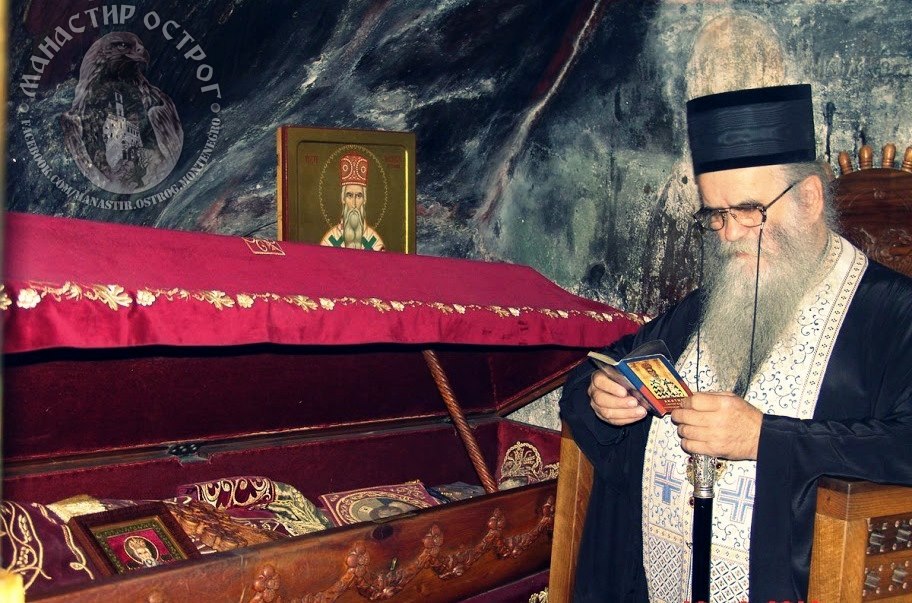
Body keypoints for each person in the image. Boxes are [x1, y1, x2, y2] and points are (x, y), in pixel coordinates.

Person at [559, 84, 912, 602]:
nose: (727, 234)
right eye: (716, 215)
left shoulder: (896, 315)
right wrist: (603, 394)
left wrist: (764, 438)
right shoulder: (708, 304)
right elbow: (609, 366)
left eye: (748, 211)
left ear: (809, 199)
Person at [320, 153, 385, 250]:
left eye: (359, 196)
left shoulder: (375, 243)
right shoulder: (329, 242)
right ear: (343, 199)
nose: (354, 204)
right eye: (349, 195)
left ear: (364, 200)